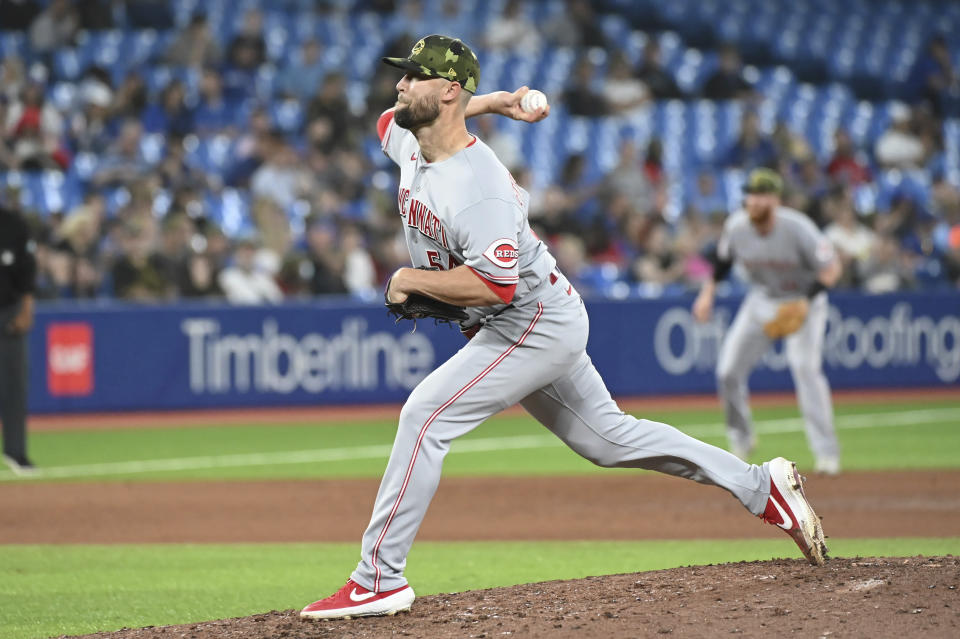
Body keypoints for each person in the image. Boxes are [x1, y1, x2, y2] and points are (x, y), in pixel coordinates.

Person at [299, 36, 828, 621]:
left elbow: (495, 285)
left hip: (530, 320)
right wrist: (496, 100)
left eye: (415, 78)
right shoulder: (409, 137)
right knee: (609, 440)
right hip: (531, 315)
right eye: (402, 75)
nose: (400, 86)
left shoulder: (481, 188)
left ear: (448, 91)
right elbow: (385, 120)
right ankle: (761, 485)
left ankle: (379, 578)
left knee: (425, 415)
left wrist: (411, 280)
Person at [692, 169, 843, 474]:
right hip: (761, 300)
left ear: (776, 199)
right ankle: (742, 438)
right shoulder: (736, 227)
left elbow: (831, 269)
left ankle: (827, 453)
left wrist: (805, 301)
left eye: (763, 195)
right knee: (727, 371)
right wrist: (707, 294)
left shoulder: (798, 228)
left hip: (804, 302)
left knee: (805, 368)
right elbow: (722, 263)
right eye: (751, 195)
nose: (756, 201)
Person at [0, 203, 37, 475]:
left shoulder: (13, 223)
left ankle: (16, 452)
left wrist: (27, 308)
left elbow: (26, 270)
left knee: (15, 384)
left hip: (7, 310)